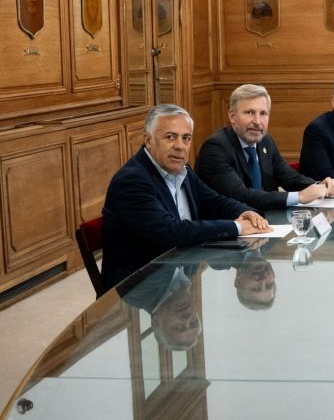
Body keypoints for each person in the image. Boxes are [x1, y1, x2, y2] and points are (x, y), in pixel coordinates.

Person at [101, 104, 271, 288]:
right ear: (148, 141)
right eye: (170, 137)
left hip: (180, 277)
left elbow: (214, 201)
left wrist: (245, 212)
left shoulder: (183, 170)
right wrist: (237, 227)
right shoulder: (132, 181)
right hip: (140, 289)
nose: (180, 146)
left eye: (186, 138)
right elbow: (171, 231)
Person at [196, 84, 334, 210]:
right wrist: (299, 197)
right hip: (232, 226)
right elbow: (240, 195)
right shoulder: (216, 148)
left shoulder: (265, 141)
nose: (257, 121)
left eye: (263, 113)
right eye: (250, 112)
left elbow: (288, 177)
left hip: (267, 221)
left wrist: (319, 186)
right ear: (232, 116)